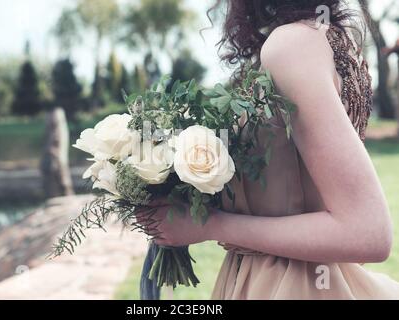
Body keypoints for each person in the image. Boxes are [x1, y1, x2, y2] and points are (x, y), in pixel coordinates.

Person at [141, 0, 399, 299]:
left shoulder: (292, 44)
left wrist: (207, 224)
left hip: (287, 287)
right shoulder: (327, 37)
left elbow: (365, 234)